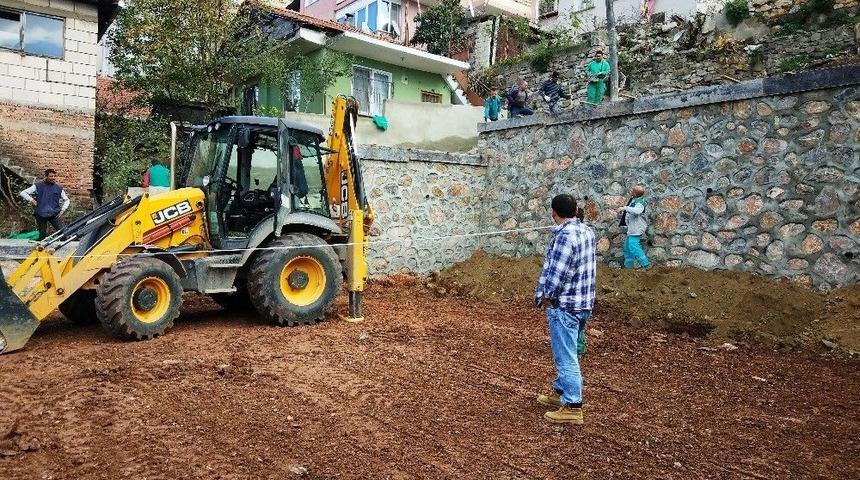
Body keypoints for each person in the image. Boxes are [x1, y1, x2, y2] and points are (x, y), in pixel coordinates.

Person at [534, 194, 597, 424]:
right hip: (584, 303)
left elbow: (557, 273)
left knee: (566, 356)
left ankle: (572, 406)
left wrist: (546, 297)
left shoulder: (564, 237)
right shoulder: (587, 232)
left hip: (565, 305)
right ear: (576, 209)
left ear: (553, 213)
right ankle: (561, 392)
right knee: (569, 351)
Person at [20, 169, 70, 240]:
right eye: (51, 176)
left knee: (63, 233)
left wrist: (63, 209)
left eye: (54, 176)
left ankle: (62, 248)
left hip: (54, 213)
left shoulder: (59, 188)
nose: (53, 178)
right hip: (41, 213)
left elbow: (67, 200)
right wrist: (32, 200)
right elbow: (23, 193)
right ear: (46, 176)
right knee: (42, 234)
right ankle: (41, 248)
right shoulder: (38, 186)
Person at [617, 185, 651, 269]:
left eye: (632, 191)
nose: (630, 192)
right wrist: (621, 212)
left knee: (633, 246)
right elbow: (628, 213)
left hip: (636, 229)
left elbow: (637, 211)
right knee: (627, 248)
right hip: (632, 229)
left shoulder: (640, 202)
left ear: (635, 193)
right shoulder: (633, 201)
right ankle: (629, 268)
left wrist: (624, 208)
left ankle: (646, 265)